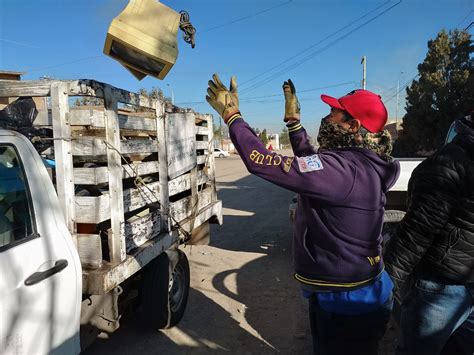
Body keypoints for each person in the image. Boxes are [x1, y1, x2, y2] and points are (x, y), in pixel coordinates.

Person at [206, 74, 400, 354]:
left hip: (348, 303)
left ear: (354, 125)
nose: (328, 117)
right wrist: (294, 124)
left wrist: (233, 117)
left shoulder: (344, 172)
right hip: (354, 294)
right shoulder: (359, 164)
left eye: (335, 113)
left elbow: (262, 161)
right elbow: (313, 165)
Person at [384, 112, 474, 355]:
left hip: (441, 288)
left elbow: (416, 232)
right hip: (445, 284)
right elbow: (419, 229)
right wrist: (387, 282)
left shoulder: (447, 162)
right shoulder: (450, 164)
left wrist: (385, 283)